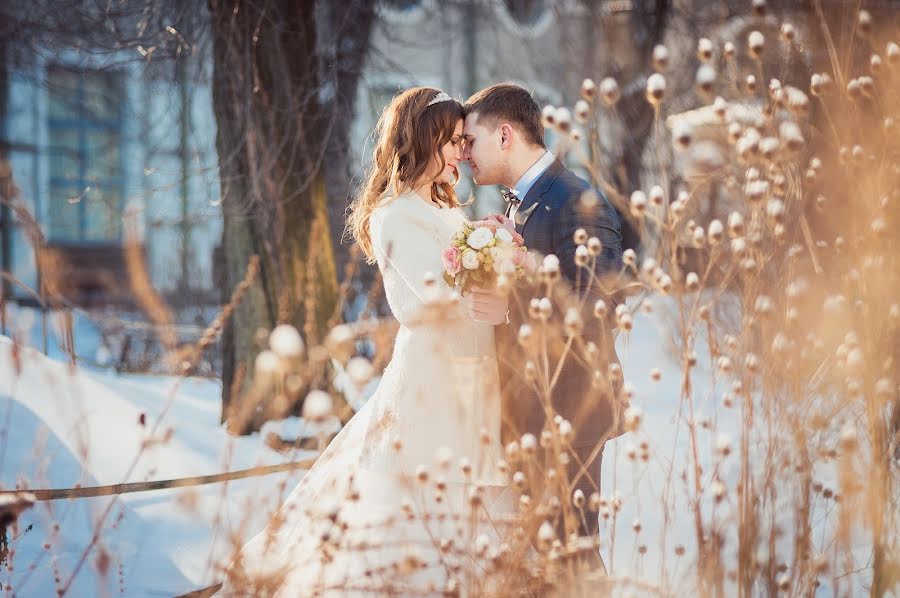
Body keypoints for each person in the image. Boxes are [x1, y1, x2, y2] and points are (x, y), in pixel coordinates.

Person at [219, 87, 512, 596]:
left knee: (478, 504)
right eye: (451, 141)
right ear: (423, 140)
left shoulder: (443, 208)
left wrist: (496, 247)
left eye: (465, 142)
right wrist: (489, 262)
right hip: (433, 379)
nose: (462, 153)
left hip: (472, 370)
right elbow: (426, 299)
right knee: (423, 507)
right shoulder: (394, 213)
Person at [461, 83, 625, 541]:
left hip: (569, 412)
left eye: (470, 141)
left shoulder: (576, 201)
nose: (463, 154)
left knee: (572, 560)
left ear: (505, 135)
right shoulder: (525, 201)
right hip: (531, 412)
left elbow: (599, 303)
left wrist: (509, 306)